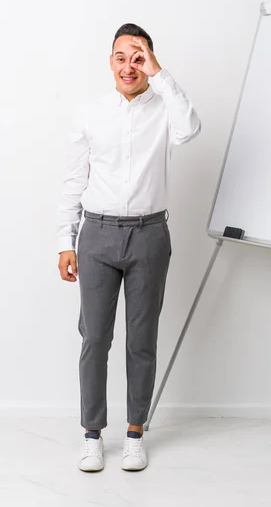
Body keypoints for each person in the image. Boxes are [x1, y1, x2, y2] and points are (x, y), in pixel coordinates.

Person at [57, 23, 201, 472]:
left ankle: (135, 432)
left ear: (150, 63)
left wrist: (160, 74)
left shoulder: (164, 109)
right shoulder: (90, 112)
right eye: (121, 57)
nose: (129, 66)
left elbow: (191, 129)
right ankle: (92, 435)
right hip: (97, 235)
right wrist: (66, 240)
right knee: (94, 338)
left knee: (142, 340)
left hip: (150, 235)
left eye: (138, 57)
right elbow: (73, 180)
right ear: (110, 61)